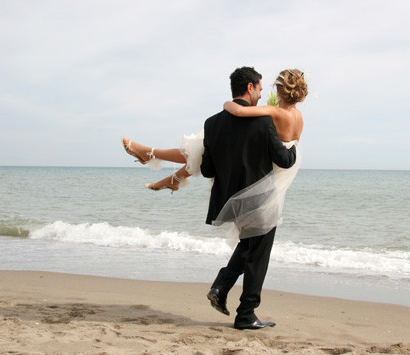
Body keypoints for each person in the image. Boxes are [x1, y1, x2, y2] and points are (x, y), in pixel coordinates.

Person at [202, 66, 297, 330]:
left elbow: (206, 170)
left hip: (228, 200)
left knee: (249, 247)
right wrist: (294, 147)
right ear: (250, 87)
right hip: (259, 199)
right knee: (258, 255)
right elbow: (284, 160)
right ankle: (245, 314)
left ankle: (221, 287)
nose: (262, 92)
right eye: (259, 87)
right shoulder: (262, 120)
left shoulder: (211, 123)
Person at [120, 68, 307, 193]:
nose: (264, 93)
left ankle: (153, 156)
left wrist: (227, 104)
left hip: (265, 160)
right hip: (279, 162)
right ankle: (168, 173)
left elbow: (240, 110)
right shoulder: (299, 118)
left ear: (281, 91)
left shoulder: (273, 112)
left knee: (205, 146)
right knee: (203, 148)